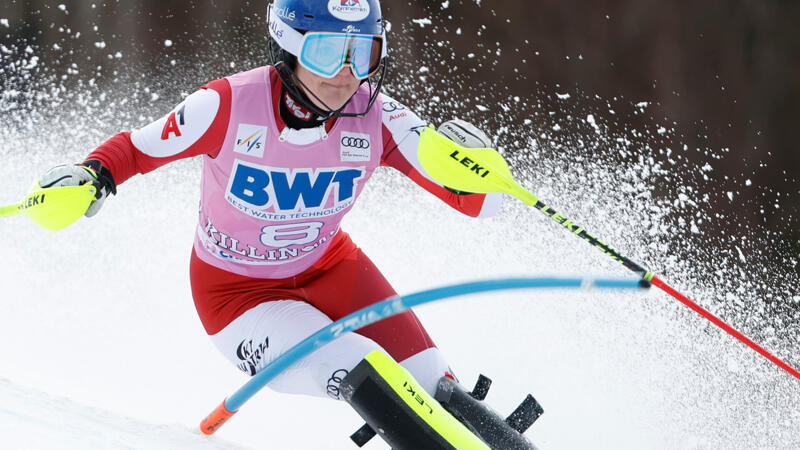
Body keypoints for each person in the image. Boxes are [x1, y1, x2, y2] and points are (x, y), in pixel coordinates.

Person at [38, 0, 507, 440]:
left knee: (435, 383)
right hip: (238, 297)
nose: (346, 76)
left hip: (332, 269)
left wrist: (476, 166)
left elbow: (479, 204)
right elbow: (138, 149)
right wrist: (89, 175)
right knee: (367, 367)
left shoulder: (380, 118)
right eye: (326, 52)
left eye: (362, 53)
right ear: (289, 44)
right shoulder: (226, 104)